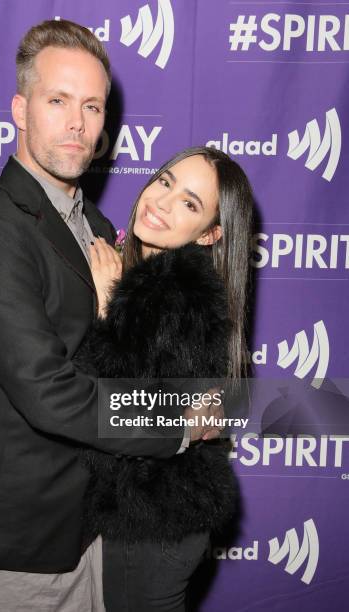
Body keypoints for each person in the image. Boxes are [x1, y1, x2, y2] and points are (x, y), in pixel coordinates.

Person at [0, 19, 219, 612]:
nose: (77, 124)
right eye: (57, 100)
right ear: (19, 108)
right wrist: (179, 424)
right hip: (23, 534)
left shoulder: (100, 229)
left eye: (91, 105)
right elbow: (50, 395)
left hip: (89, 524)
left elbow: (137, 351)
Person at [73, 145, 254, 611]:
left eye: (190, 204)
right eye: (166, 182)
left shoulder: (179, 293)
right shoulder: (137, 269)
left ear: (211, 233)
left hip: (155, 519)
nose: (162, 201)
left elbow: (113, 409)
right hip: (153, 511)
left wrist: (103, 308)